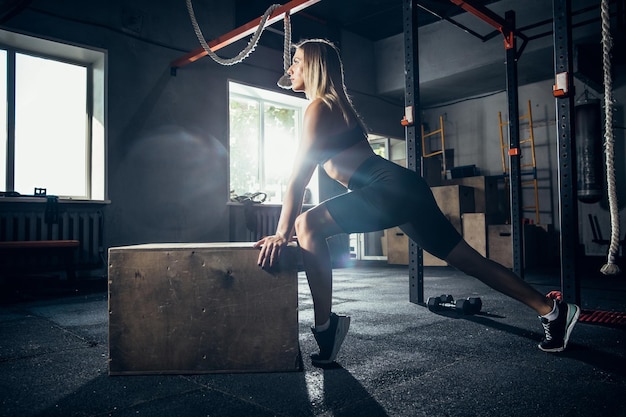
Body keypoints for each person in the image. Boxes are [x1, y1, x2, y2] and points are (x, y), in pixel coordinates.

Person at [254, 39, 580, 366]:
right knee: (469, 261)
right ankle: (551, 310)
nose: (290, 68)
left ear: (313, 66)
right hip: (403, 189)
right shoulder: (330, 106)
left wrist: (282, 233)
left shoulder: (320, 106)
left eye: (296, 61)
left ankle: (326, 328)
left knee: (306, 223)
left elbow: (299, 175)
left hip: (389, 187)